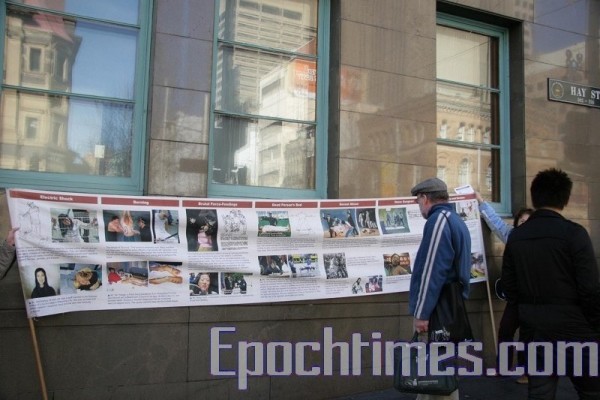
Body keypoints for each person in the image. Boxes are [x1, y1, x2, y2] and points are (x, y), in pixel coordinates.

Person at [502, 168, 600, 399]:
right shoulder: (574, 234)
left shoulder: (517, 237)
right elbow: (590, 288)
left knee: (540, 392)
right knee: (591, 391)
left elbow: (510, 290)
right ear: (565, 198)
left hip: (535, 331)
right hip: (576, 330)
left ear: (535, 197)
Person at [408, 177, 471, 400]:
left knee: (435, 376)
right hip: (450, 307)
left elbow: (431, 273)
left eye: (418, 200)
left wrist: (422, 314)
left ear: (425, 198)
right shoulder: (455, 220)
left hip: (437, 311)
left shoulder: (438, 221)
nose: (418, 206)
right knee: (440, 373)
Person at [476, 192, 533, 383]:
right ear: (516, 223)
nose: (524, 224)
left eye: (528, 222)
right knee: (506, 330)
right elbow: (496, 223)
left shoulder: (538, 242)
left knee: (527, 335)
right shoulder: (512, 236)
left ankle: (526, 372)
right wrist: (481, 202)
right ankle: (503, 368)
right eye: (522, 221)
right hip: (516, 297)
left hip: (533, 297)